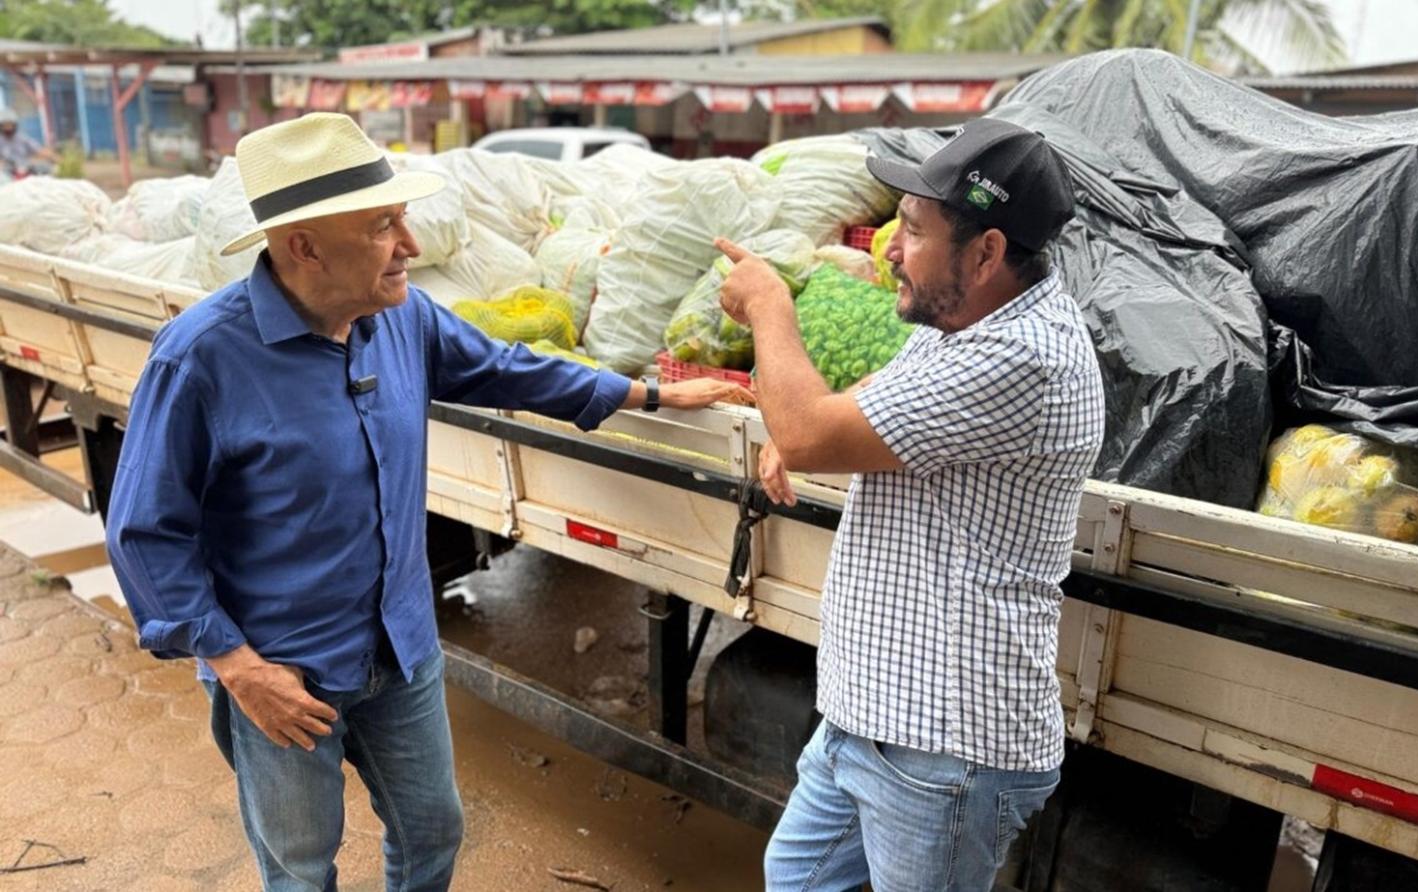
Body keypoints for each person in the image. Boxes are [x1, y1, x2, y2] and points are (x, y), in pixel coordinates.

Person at [105, 112, 750, 892]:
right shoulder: (201, 359)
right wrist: (238, 669)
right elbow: (145, 534)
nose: (409, 245)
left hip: (400, 649)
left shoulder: (401, 319)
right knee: (301, 870)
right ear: (303, 246)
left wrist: (643, 392)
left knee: (433, 833)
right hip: (284, 672)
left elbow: (510, 369)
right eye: (383, 226)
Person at [715, 119, 1106, 891]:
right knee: (795, 877)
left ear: (987, 251)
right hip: (875, 711)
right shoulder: (964, 315)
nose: (889, 247)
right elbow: (886, 390)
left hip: (944, 746)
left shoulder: (1022, 356)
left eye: (915, 231)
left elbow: (809, 425)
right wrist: (807, 433)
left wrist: (770, 309)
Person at [0, 108, 56, 175]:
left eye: (10, 125)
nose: (8, 128)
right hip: (7, 171)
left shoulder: (22, 138)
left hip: (26, 168)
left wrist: (56, 158)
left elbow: (39, 150)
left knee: (45, 167)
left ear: (15, 125)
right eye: (5, 126)